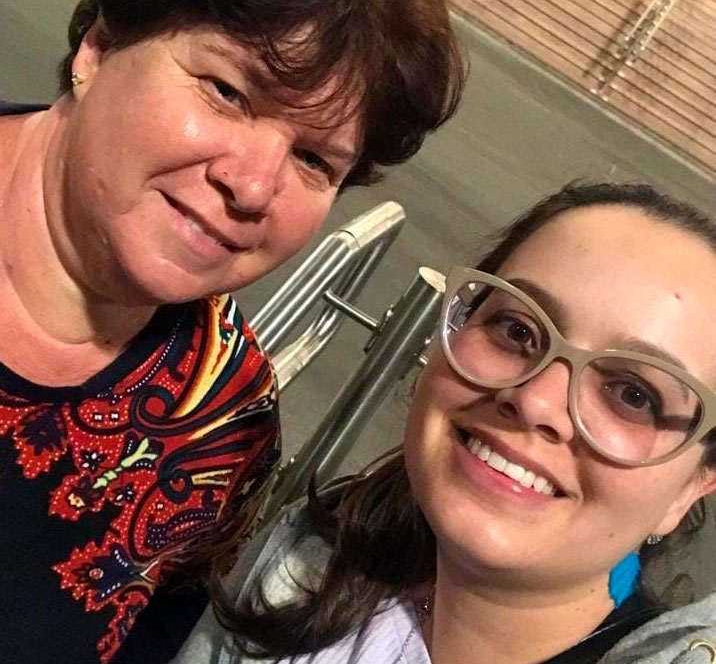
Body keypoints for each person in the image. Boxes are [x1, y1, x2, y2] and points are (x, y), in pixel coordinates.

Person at [0, 0, 465, 661]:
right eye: (228, 92)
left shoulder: (222, 429)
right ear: (100, 45)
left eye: (314, 160)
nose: (252, 186)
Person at [174, 182, 716, 664]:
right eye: (518, 330)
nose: (535, 400)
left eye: (632, 395)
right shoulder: (308, 560)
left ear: (691, 487)